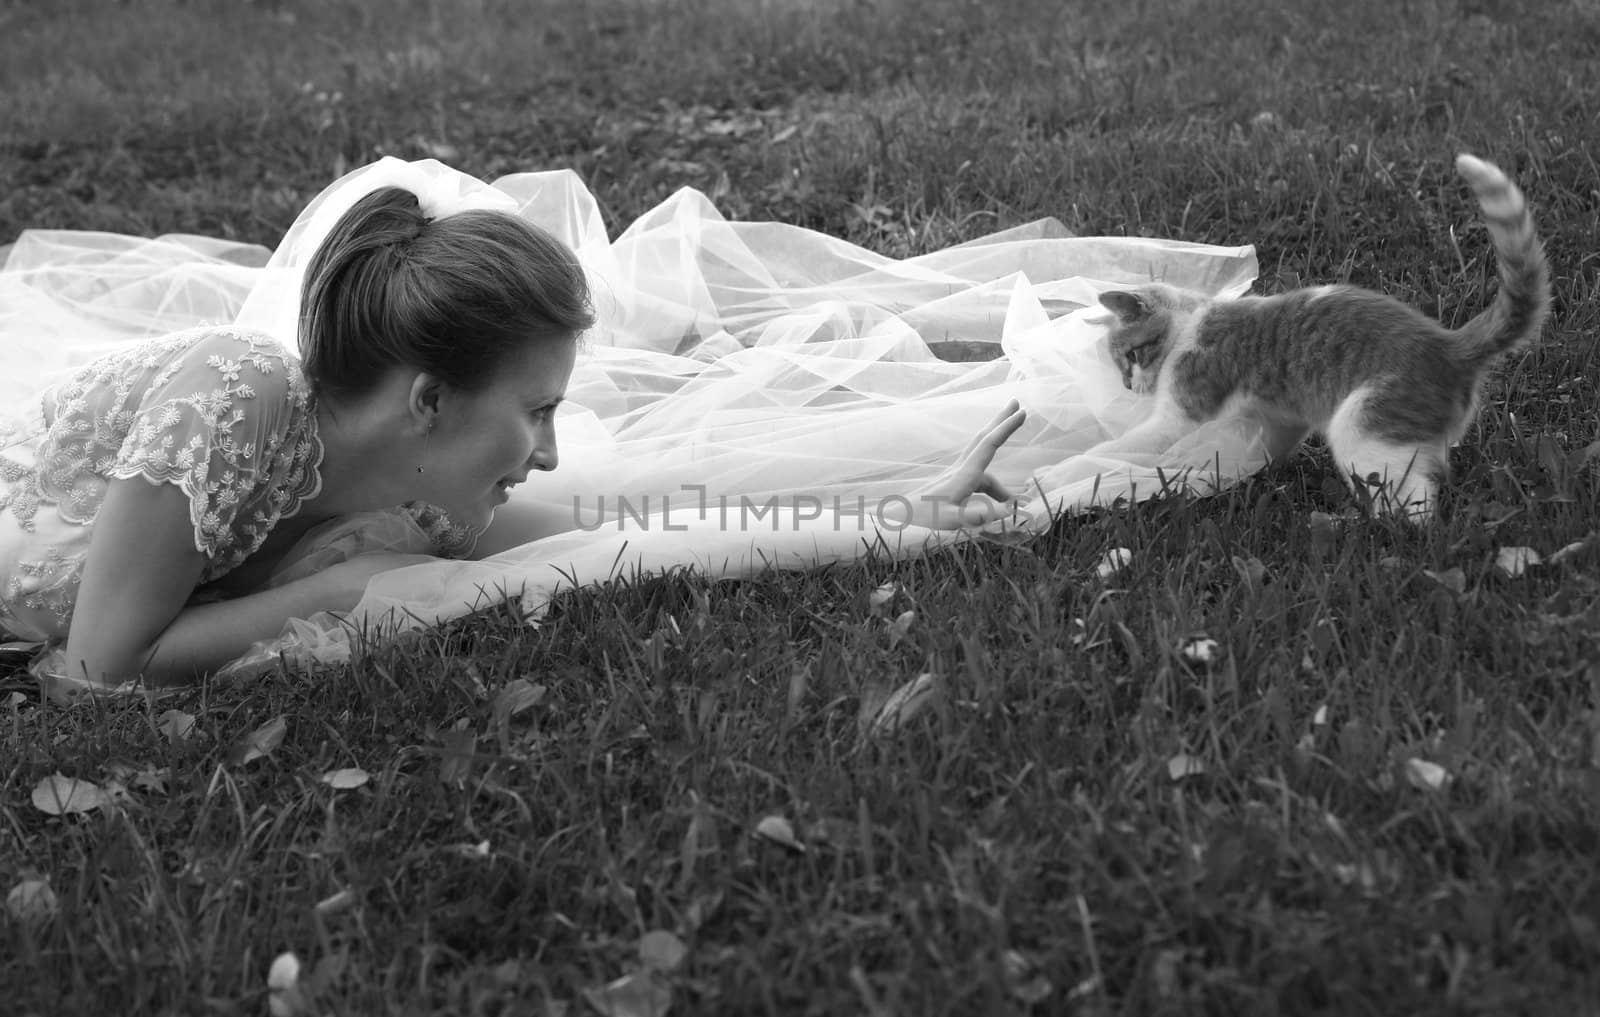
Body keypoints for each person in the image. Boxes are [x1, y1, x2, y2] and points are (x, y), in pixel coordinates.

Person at [1, 157, 1270, 689]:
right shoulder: (239, 405)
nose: (553, 450)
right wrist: (346, 592)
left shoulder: (412, 470)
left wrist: (900, 518)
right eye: (537, 412)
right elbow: (101, 665)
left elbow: (635, 523)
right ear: (428, 399)